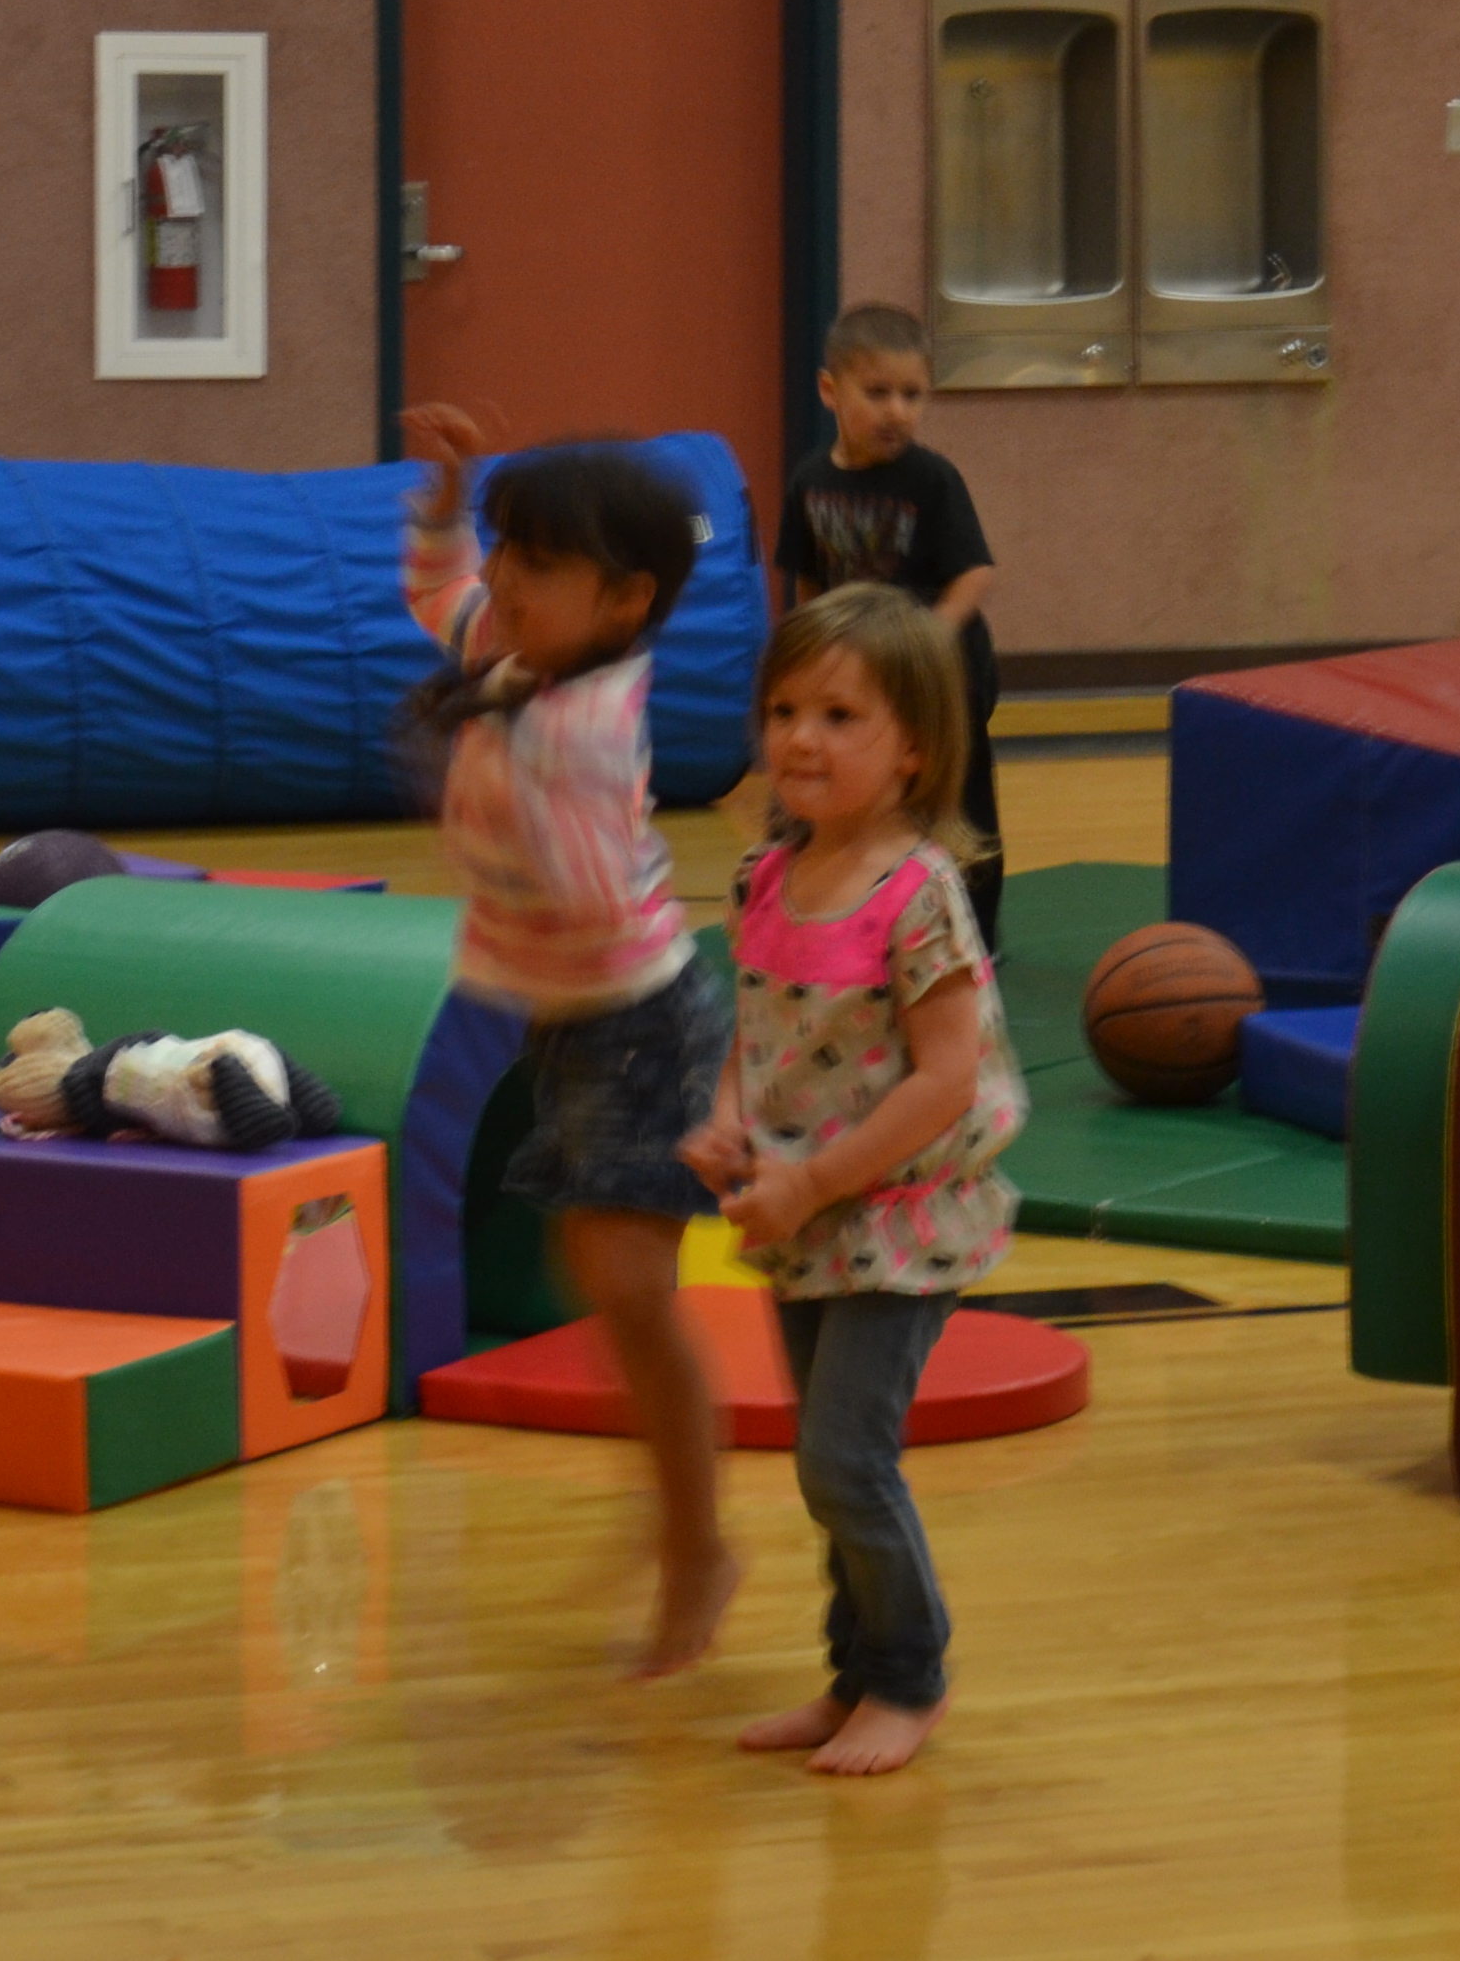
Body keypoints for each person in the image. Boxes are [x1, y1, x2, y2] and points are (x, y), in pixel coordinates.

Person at [397, 405, 738, 1680]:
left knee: (634, 1297)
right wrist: (442, 503)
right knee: (611, 1292)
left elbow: (591, 898)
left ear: (624, 600)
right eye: (508, 551)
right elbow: (438, 588)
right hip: (562, 1018)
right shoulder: (516, 650)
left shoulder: (576, 733)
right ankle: (671, 1513)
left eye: (537, 564)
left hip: (638, 1023)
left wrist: (476, 754)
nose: (501, 581)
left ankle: (696, 1542)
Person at [683, 585, 1025, 1776]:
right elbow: (754, 1034)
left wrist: (814, 1177)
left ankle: (911, 1675)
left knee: (845, 1460)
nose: (801, 739)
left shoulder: (918, 892)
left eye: (839, 715)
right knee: (826, 1466)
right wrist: (729, 1122)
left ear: (915, 747)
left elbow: (944, 1078)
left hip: (893, 1220)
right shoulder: (764, 880)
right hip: (804, 1218)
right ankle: (852, 1674)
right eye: (784, 710)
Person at [774, 302, 1003, 949]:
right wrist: (814, 651)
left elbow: (975, 573)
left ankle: (977, 933)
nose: (897, 410)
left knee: (959, 795)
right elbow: (809, 579)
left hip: (944, 673)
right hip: (865, 674)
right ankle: (868, 904)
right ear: (830, 390)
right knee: (874, 785)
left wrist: (934, 634)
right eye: (878, 393)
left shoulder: (931, 479)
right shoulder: (811, 482)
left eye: (912, 394)